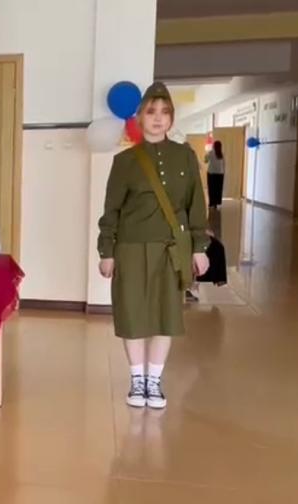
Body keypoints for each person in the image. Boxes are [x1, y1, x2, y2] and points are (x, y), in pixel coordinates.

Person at [97, 81, 210, 410]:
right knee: (132, 312)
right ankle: (136, 379)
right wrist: (107, 251)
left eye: (165, 112)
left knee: (166, 314)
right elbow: (111, 210)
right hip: (130, 248)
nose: (158, 118)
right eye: (151, 112)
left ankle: (154, 381)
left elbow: (196, 205)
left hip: (170, 248)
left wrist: (199, 247)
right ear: (140, 117)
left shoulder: (185, 156)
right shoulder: (125, 161)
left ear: (171, 118)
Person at [204, 140, 225, 209]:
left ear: (214, 146)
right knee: (218, 189)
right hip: (220, 174)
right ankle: (216, 202)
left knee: (211, 189)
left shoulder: (211, 153)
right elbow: (224, 164)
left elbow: (205, 161)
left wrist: (206, 154)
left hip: (211, 173)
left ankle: (211, 203)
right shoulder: (221, 154)